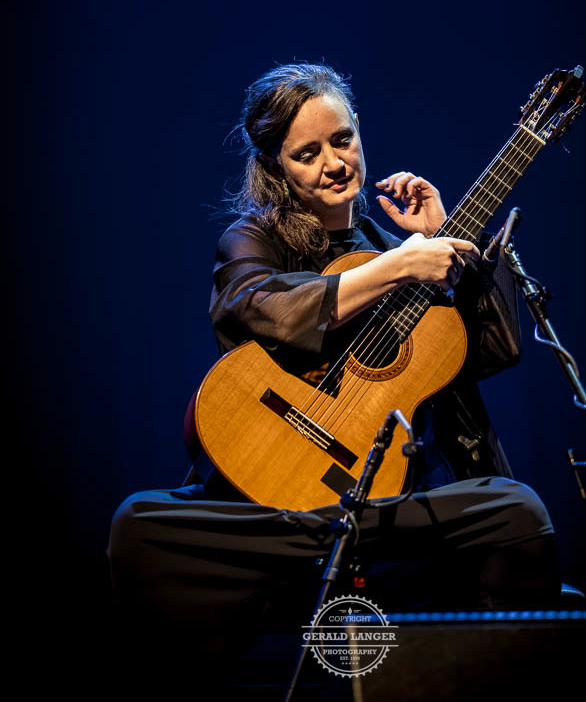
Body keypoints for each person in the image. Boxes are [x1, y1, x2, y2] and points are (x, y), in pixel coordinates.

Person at [107, 62, 560, 672]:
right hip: (270, 509)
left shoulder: (404, 252)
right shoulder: (253, 240)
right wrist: (396, 265)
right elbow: (262, 308)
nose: (333, 162)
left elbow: (494, 351)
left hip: (381, 507)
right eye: (307, 153)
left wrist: (451, 248)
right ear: (276, 166)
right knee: (138, 524)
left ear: (359, 131)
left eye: (342, 139)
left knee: (518, 511)